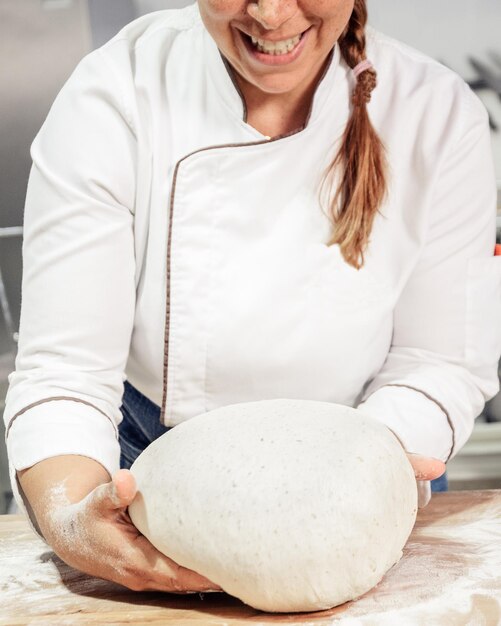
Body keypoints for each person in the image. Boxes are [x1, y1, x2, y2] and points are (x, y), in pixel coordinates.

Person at [3, 0, 501, 594]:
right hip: (143, 472)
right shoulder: (115, 95)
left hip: (374, 453)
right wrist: (74, 522)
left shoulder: (436, 113)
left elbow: (438, 361)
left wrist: (367, 479)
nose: (270, 14)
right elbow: (67, 369)